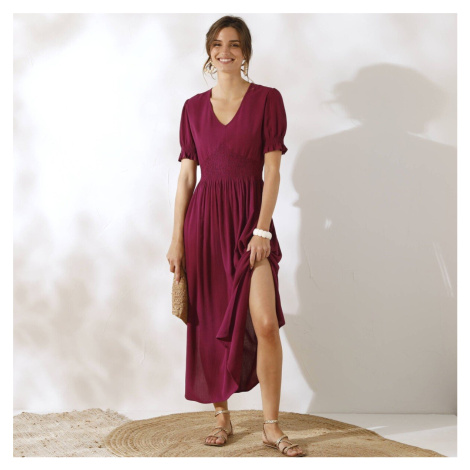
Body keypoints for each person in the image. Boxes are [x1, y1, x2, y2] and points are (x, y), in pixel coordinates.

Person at [167, 16, 305, 457]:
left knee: (264, 323)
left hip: (250, 222)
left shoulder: (267, 100)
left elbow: (272, 171)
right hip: (204, 224)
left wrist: (262, 228)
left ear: (245, 51)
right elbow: (186, 178)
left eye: (233, 44)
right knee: (209, 323)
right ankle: (221, 416)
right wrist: (176, 239)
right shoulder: (192, 108)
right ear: (209, 51)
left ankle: (270, 426)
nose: (224, 51)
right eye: (216, 44)